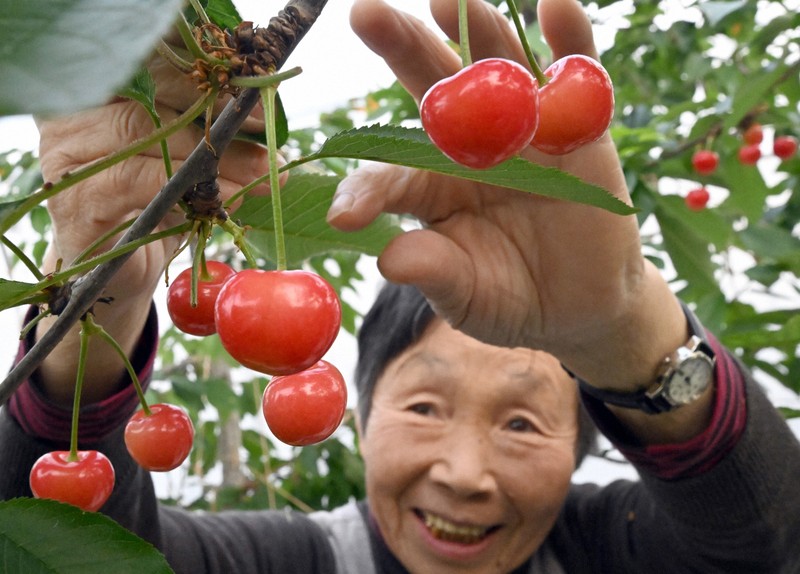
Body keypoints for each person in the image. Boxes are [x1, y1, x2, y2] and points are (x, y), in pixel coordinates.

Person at [1, 0, 799, 572]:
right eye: (422, 404)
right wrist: (99, 292)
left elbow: (771, 543)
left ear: (588, 446)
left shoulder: (613, 548)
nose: (463, 471)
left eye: (523, 422)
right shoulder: (290, 560)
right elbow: (76, 550)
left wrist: (623, 328)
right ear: (361, 408)